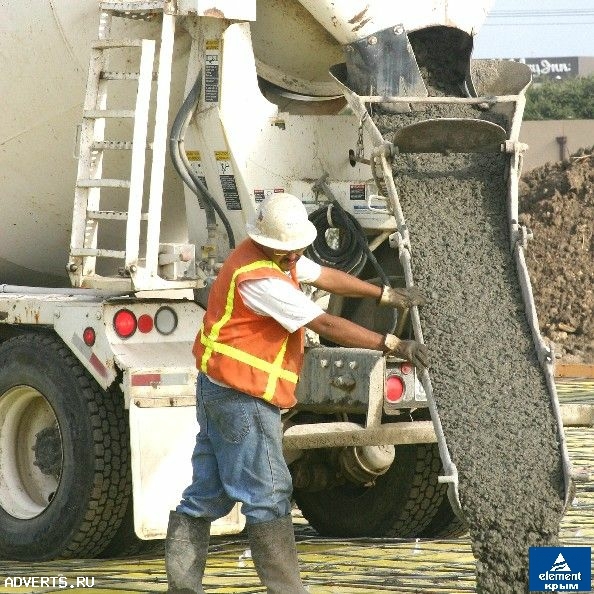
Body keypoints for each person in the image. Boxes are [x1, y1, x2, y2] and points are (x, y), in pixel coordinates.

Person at [165, 193, 428, 594]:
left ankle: (183, 588)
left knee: (205, 496)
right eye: (287, 253)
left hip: (220, 389)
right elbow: (326, 324)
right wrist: (394, 344)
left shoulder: (272, 254)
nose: (294, 259)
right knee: (269, 496)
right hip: (242, 399)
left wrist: (383, 294)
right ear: (268, 243)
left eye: (296, 251)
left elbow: (323, 275)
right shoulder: (262, 279)